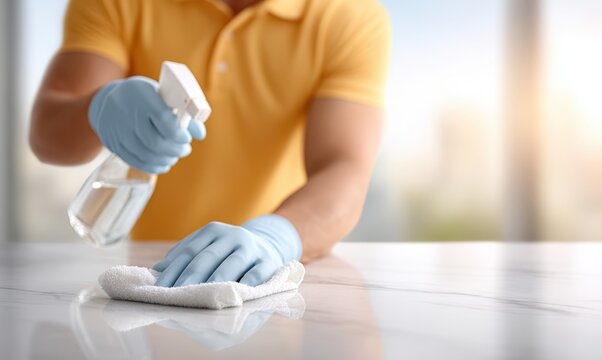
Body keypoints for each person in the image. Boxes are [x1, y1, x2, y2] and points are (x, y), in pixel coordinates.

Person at [29, 0, 390, 287]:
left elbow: (344, 167)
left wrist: (274, 238)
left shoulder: (348, 15)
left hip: (266, 283)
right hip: (150, 281)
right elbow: (47, 135)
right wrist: (98, 107)